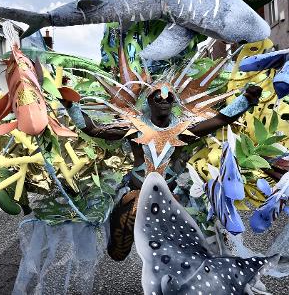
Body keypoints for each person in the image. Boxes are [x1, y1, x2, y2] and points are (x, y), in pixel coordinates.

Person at [60, 85, 262, 260]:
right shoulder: (135, 127)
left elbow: (218, 120)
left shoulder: (184, 129)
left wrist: (245, 100)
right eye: (158, 96)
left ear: (174, 102)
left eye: (169, 97)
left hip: (170, 197)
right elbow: (95, 130)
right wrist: (71, 106)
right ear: (149, 100)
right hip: (135, 195)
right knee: (118, 251)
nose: (164, 100)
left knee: (179, 252)